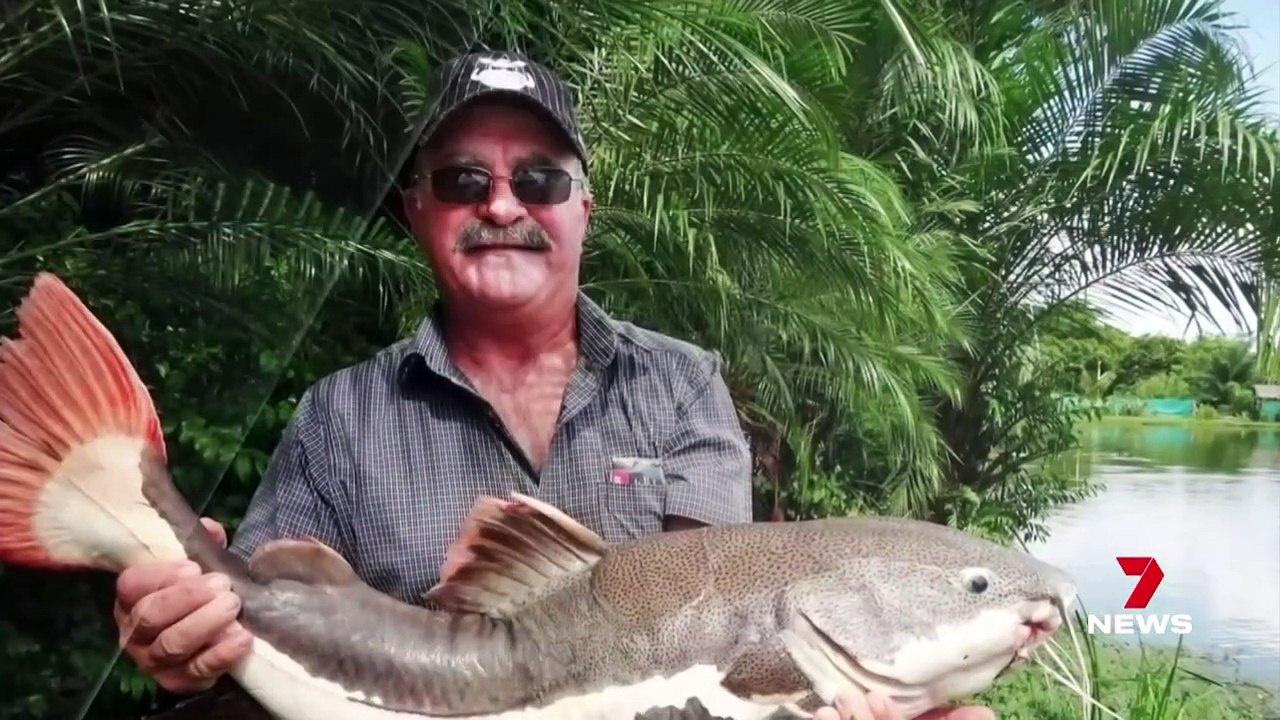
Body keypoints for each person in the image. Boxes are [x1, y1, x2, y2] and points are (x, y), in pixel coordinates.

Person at [110, 49, 993, 720]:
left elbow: (722, 639)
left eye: (539, 179)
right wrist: (191, 640)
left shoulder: (684, 386)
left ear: (582, 207)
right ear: (415, 208)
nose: (503, 206)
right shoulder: (340, 416)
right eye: (463, 180)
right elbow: (256, 625)